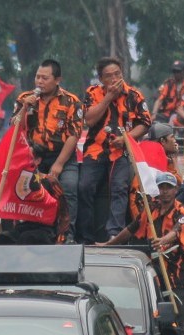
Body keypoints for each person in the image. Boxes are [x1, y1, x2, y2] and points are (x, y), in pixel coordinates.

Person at [78, 56, 151, 243]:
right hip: (95, 150)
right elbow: (89, 119)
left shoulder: (134, 95)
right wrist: (109, 96)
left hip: (123, 151)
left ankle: (114, 233)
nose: (114, 79)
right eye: (109, 76)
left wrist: (127, 138)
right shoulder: (93, 93)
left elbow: (145, 123)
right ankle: (84, 235)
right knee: (85, 187)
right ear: (101, 79)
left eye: (117, 74)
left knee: (120, 187)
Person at [104, 172, 184, 313]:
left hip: (178, 275)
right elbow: (131, 229)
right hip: (154, 272)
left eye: (169, 187)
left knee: (178, 318)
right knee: (154, 314)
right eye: (162, 187)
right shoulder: (151, 208)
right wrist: (109, 245)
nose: (165, 191)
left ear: (176, 190)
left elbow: (176, 231)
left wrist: (162, 240)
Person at [11, 59, 82, 241]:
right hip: (34, 156)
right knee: (28, 190)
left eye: (45, 78)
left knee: (69, 188)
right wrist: (25, 107)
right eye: (37, 77)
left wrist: (58, 165)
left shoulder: (71, 101)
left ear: (57, 80)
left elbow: (74, 135)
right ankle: (30, 232)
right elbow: (14, 127)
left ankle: (67, 235)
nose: (39, 82)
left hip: (63, 157)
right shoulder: (24, 98)